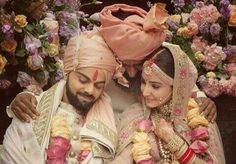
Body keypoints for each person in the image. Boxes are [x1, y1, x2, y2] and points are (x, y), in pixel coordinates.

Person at [76, 42, 236, 164]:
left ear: (177, 87)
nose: (145, 91)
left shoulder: (198, 115)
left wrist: (171, 139)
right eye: (143, 83)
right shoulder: (137, 115)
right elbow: (122, 162)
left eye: (155, 86)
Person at [10, 3, 217, 123]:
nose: (134, 74)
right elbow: (67, 85)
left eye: (140, 65)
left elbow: (180, 80)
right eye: (124, 64)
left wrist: (200, 97)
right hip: (98, 141)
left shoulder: (154, 49)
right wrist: (27, 96)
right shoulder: (95, 50)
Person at [0, 30, 126, 164]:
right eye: (82, 80)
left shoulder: (109, 127)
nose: (89, 91)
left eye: (99, 85)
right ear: (68, 72)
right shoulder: (32, 108)